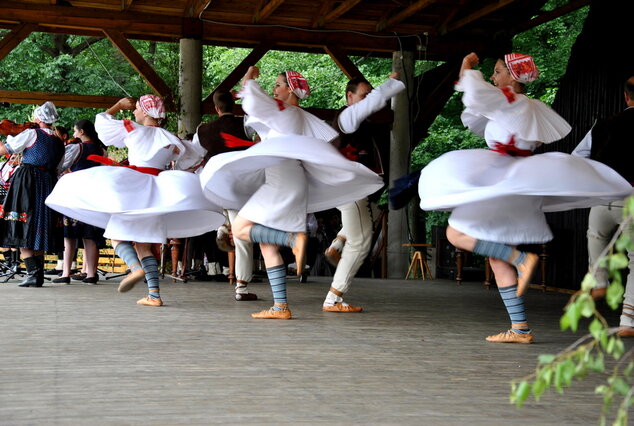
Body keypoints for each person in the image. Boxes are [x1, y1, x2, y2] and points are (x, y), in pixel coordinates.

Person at [417, 53, 632, 343]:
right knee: (495, 258)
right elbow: (482, 113)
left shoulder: (507, 100)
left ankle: (519, 258)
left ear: (512, 76)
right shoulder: (530, 107)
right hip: (519, 185)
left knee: (455, 233)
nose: (493, 77)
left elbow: (474, 93)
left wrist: (467, 66)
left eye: (497, 72)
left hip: (504, 182)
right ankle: (520, 328)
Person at [200, 67, 384, 319]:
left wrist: (249, 80)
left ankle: (291, 242)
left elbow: (254, 102)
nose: (275, 89)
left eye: (278, 85)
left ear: (290, 89)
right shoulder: (296, 114)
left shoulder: (286, 112)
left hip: (281, 181)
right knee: (265, 244)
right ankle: (280, 307)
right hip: (284, 180)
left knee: (242, 228)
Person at [46, 95, 225, 306]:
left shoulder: (132, 128)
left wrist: (118, 106)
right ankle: (154, 295)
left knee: (116, 238)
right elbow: (192, 159)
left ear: (147, 112)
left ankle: (135, 268)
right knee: (144, 246)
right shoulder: (171, 138)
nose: (134, 112)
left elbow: (101, 122)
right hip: (159, 191)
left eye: (137, 108)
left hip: (133, 188)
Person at [322, 73, 406, 312]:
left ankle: (336, 245)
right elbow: (373, 102)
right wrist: (390, 84)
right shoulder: (348, 117)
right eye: (363, 95)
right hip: (350, 189)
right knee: (361, 241)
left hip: (348, 187)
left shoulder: (351, 121)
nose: (368, 100)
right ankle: (334, 297)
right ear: (350, 97)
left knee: (360, 224)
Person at [572, 75, 634, 337]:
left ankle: (599, 281)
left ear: (626, 97)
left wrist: (599, 178)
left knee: (596, 236)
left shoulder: (603, 125)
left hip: (603, 197)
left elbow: (578, 157)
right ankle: (628, 320)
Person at [196, 90, 257, 300]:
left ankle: (223, 226)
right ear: (234, 105)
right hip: (242, 185)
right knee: (243, 236)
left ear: (215, 109)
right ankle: (241, 286)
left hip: (214, 185)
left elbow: (194, 153)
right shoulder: (245, 124)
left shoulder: (202, 130)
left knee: (227, 213)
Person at [0, 101, 65, 287]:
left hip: (28, 180)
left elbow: (4, 150)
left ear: (38, 118)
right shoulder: (59, 141)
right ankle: (37, 275)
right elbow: (60, 167)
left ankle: (33, 274)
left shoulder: (31, 134)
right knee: (39, 226)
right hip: (48, 181)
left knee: (22, 224)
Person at [52, 119, 107, 285]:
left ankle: (66, 273)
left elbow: (60, 167)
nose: (74, 134)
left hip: (76, 195)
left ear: (81, 131)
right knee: (90, 236)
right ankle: (91, 274)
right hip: (94, 196)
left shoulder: (77, 148)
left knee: (70, 236)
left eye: (75, 131)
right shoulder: (101, 149)